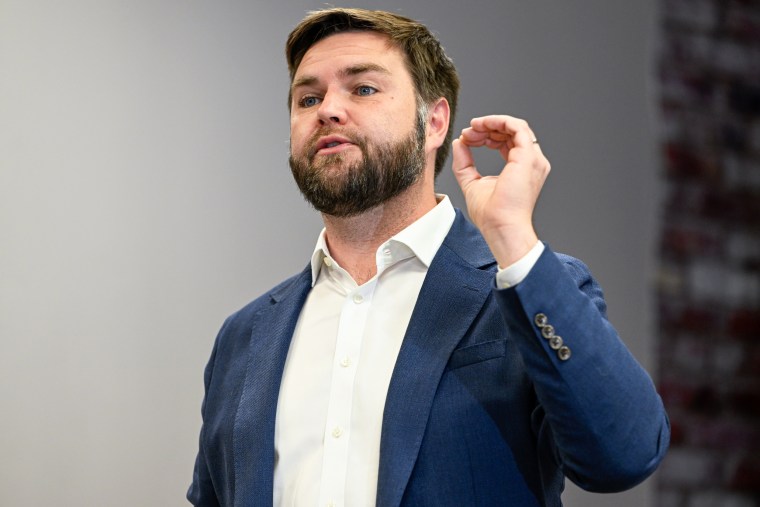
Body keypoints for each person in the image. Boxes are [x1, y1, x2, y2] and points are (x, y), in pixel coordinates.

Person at [187, 7, 669, 507]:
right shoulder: (243, 338)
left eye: (363, 89)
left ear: (434, 121)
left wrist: (511, 237)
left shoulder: (528, 289)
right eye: (308, 98)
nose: (328, 109)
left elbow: (625, 455)